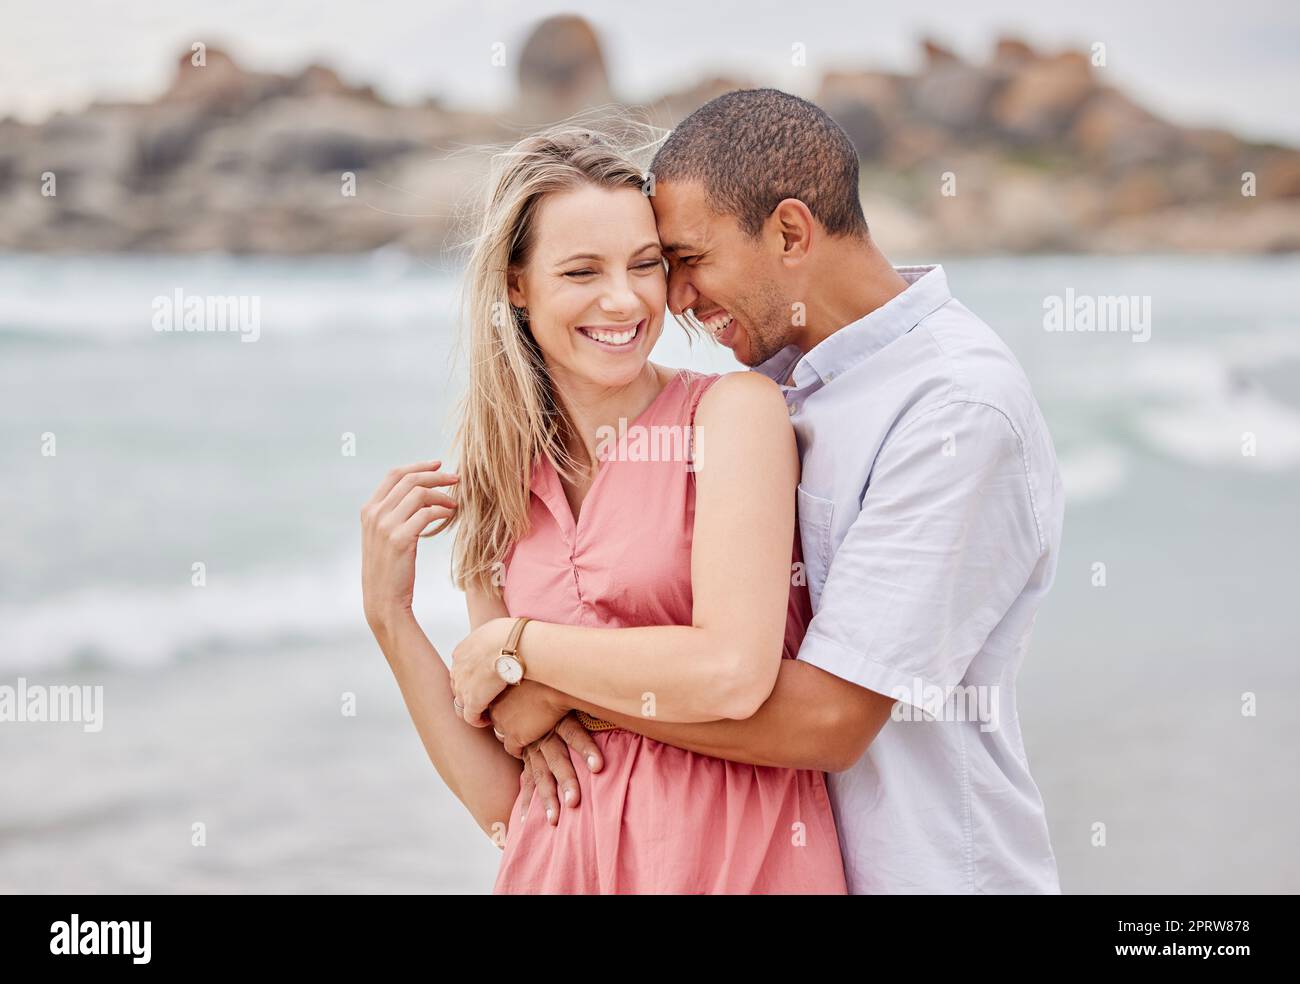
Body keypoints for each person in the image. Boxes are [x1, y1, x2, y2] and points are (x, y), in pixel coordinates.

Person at [482, 89, 1065, 894]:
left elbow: (826, 720)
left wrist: (546, 676)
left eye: (685, 260)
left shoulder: (953, 409)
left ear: (789, 232)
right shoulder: (792, 383)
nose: (674, 300)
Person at [362, 125, 847, 893]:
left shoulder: (732, 415)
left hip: (737, 869)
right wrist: (391, 617)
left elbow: (731, 671)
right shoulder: (500, 478)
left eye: (645, 265)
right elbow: (507, 802)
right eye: (581, 271)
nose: (623, 299)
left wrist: (524, 654)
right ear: (516, 287)